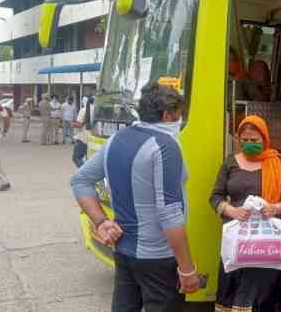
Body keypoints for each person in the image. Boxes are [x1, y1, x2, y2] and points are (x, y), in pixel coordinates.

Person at [71, 81, 200, 312]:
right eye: (178, 116)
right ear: (167, 115)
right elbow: (170, 214)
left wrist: (101, 222)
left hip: (123, 251)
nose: (179, 122)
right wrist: (187, 269)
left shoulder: (116, 140)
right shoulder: (165, 146)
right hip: (158, 258)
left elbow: (80, 180)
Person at [209, 115, 281, 312]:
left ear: (264, 138)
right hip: (237, 243)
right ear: (238, 139)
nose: (249, 144)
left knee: (263, 297)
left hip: (266, 244)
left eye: (254, 140)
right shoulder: (230, 163)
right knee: (231, 292)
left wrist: (276, 207)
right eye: (245, 140)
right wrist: (231, 210)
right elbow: (215, 197)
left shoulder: (278, 163)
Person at [72, 96, 91, 168]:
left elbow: (79, 124)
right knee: (88, 157)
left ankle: (84, 172)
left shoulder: (83, 110)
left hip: (83, 137)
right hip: (93, 137)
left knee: (76, 157)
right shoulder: (96, 109)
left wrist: (73, 124)